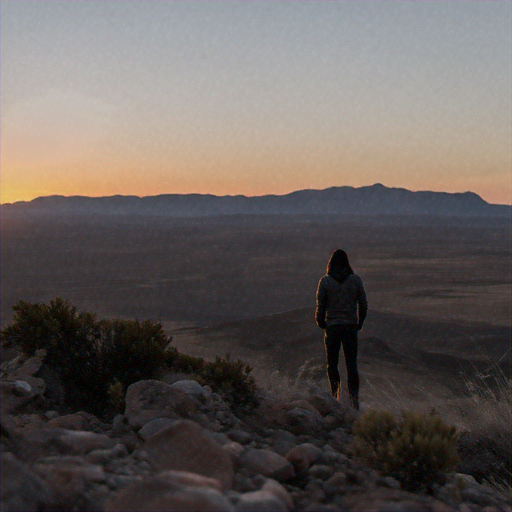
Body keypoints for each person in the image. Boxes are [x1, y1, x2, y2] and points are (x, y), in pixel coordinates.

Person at [315, 249, 368, 410]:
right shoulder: (355, 280)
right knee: (351, 364)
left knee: (332, 363)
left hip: (332, 327)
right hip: (350, 327)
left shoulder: (325, 282)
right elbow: (363, 304)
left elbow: (321, 307)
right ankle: (354, 400)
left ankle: (335, 396)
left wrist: (321, 322)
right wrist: (360, 322)